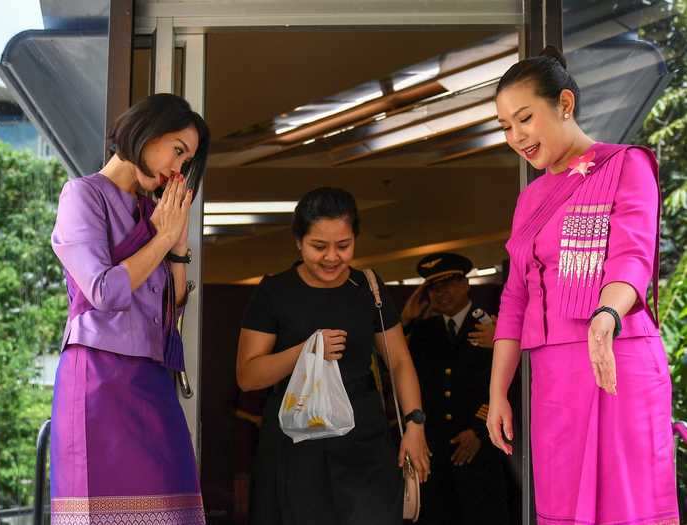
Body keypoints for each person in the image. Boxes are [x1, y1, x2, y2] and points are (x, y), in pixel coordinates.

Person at [488, 46, 679, 525]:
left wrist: (606, 314)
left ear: (565, 105)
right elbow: (514, 300)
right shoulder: (529, 199)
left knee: (625, 505)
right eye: (506, 127)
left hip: (617, 358)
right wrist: (497, 394)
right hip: (554, 375)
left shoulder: (626, 165)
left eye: (525, 119)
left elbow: (632, 256)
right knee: (563, 505)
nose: (516, 136)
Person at [49, 93, 210, 525]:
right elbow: (103, 291)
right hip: (98, 381)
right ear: (148, 131)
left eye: (186, 159)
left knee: (172, 512)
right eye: (178, 150)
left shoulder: (152, 210)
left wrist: (176, 248)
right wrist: (161, 238)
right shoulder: (81, 196)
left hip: (151, 380)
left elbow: (171, 307)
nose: (178, 169)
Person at [236, 187, 430, 525]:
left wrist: (415, 425)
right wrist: (306, 351)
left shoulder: (368, 288)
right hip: (296, 443)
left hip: (363, 442)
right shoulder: (275, 292)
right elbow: (248, 376)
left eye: (343, 246)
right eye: (318, 246)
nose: (331, 258)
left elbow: (398, 361)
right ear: (298, 242)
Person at [405, 252, 509, 525]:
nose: (441, 293)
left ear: (465, 284)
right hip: (436, 447)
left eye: (448, 283)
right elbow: (404, 379)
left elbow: (506, 384)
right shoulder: (423, 332)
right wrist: (406, 321)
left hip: (482, 442)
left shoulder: (492, 326)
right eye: (433, 288)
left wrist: (478, 430)